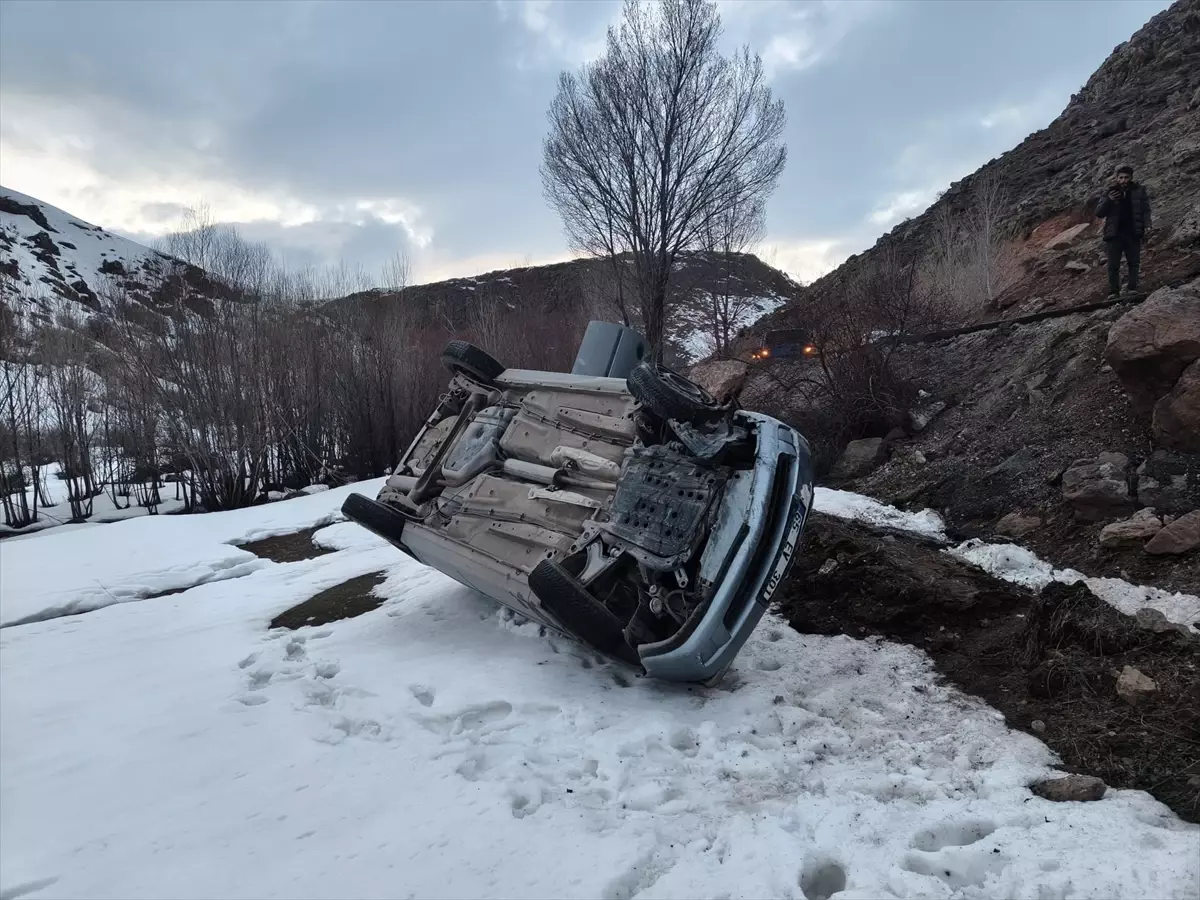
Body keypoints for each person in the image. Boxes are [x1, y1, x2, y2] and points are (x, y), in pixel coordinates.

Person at [1094, 164, 1151, 298]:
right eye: (1121, 178)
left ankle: (1132, 288)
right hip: (1114, 234)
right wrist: (1110, 200)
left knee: (1134, 262)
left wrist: (1147, 224)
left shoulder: (1139, 190)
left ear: (1131, 178)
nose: (1123, 180)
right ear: (1117, 178)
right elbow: (1099, 213)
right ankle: (1114, 292)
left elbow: (1146, 209)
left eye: (1126, 178)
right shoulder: (1109, 191)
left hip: (1133, 232)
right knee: (1113, 264)